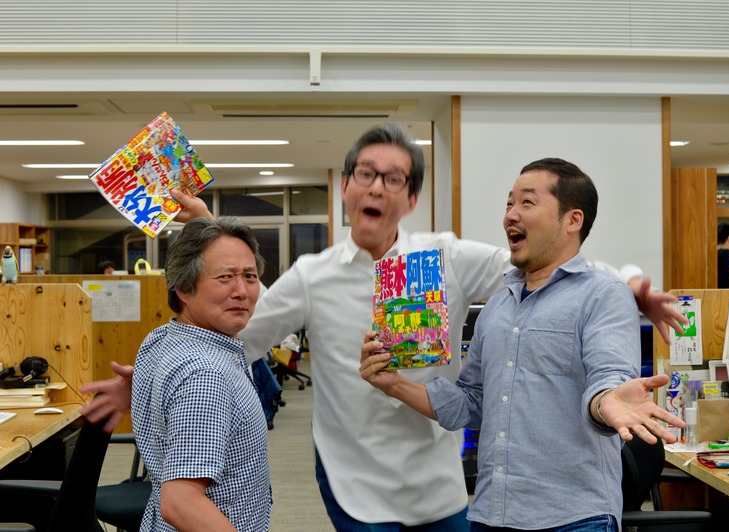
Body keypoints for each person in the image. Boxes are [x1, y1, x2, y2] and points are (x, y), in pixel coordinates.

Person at [81, 124, 687, 530]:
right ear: (344, 189)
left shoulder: (447, 258)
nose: (376, 186)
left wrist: (633, 287)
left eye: (393, 179)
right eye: (364, 175)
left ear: (410, 198)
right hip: (357, 482)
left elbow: (562, 274)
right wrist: (152, 378)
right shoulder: (313, 275)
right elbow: (235, 320)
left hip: (444, 484)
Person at [360, 157, 685, 531]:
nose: (510, 215)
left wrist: (606, 400)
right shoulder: (497, 306)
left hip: (574, 519)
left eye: (527, 202)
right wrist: (394, 384)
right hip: (491, 514)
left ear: (572, 220)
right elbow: (471, 402)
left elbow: (607, 376)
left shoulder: (603, 295)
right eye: (509, 203)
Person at [132, 217, 271, 531]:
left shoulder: (161, 338)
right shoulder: (206, 374)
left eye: (250, 276)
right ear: (183, 287)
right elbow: (181, 502)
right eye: (225, 277)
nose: (242, 291)